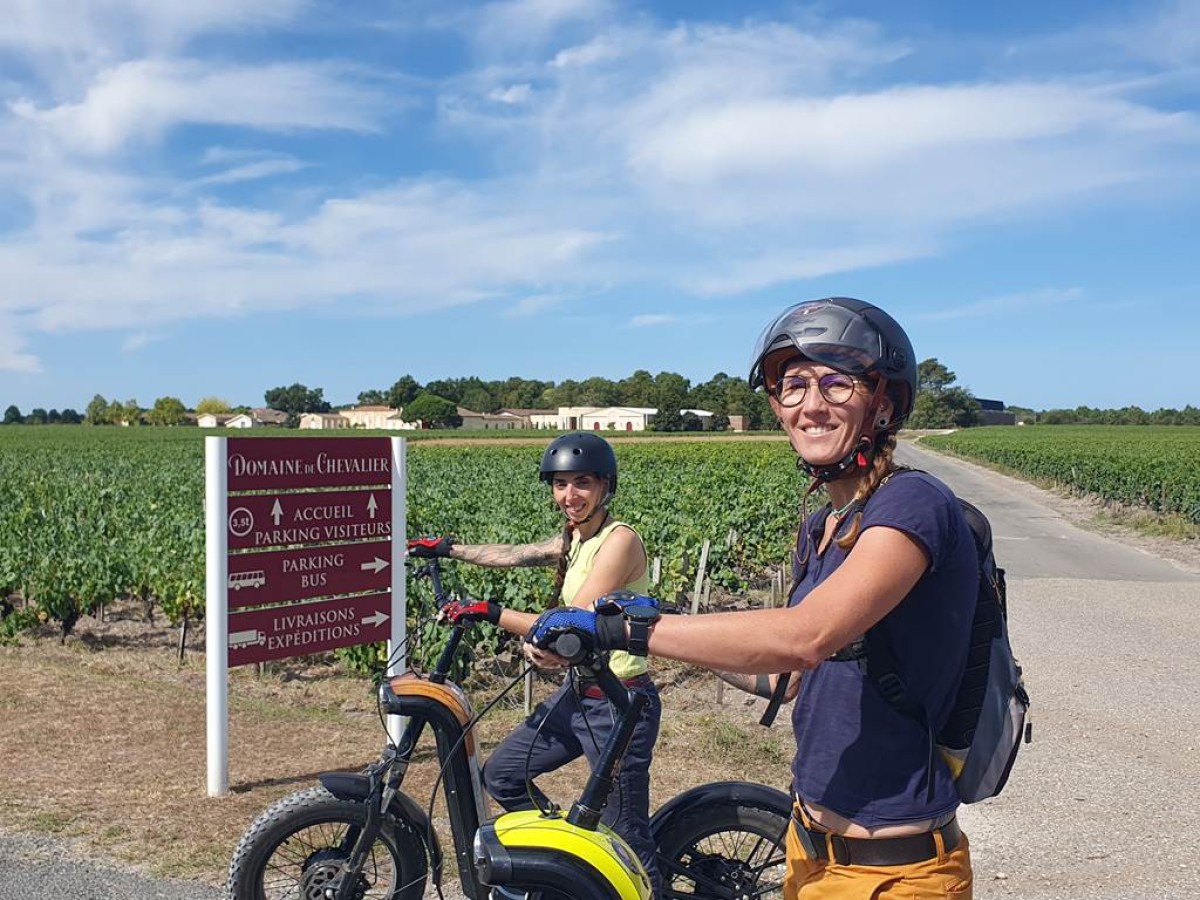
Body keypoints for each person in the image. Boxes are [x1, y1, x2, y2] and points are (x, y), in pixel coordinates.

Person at [526, 297, 979, 899]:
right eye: (792, 385)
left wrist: (630, 629)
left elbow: (806, 636)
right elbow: (790, 677)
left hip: (894, 873)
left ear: (885, 402)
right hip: (808, 847)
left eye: (837, 383)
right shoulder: (822, 526)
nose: (811, 404)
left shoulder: (913, 504)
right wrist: (672, 645)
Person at [407, 432, 663, 899]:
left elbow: (575, 620)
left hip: (620, 703)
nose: (569, 495)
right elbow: (513, 555)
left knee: (627, 834)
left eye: (581, 483)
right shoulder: (574, 538)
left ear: (606, 485)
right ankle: (561, 861)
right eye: (560, 484)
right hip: (579, 696)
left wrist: (490, 612)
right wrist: (447, 548)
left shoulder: (618, 541)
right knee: (502, 773)